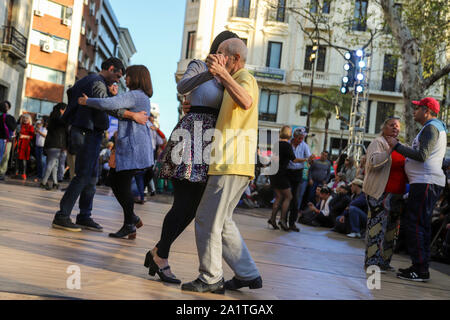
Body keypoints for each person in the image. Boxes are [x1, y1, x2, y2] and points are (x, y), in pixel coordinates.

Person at [144, 31, 240, 284]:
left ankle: (159, 252)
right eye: (222, 51)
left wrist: (225, 75)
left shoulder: (231, 76)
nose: (225, 56)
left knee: (194, 206)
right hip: (191, 136)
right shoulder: (199, 65)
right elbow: (182, 87)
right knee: (183, 202)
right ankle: (160, 255)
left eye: (229, 54)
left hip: (211, 141)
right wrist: (212, 71)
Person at [181, 38, 262, 294]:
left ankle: (210, 277)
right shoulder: (233, 81)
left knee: (206, 219)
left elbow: (246, 101)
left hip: (230, 161)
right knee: (223, 222)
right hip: (233, 163)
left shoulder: (244, 78)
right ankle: (247, 273)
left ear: (234, 59)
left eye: (220, 54)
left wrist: (223, 74)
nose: (215, 57)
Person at [51, 57, 148, 232]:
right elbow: (107, 105)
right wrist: (132, 115)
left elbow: (97, 100)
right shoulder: (97, 82)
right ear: (111, 68)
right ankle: (62, 216)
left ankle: (84, 216)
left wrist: (109, 96)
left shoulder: (91, 81)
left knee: (92, 177)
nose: (118, 80)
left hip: (90, 132)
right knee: (83, 175)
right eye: (118, 75)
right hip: (86, 132)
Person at [78, 65, 154, 239]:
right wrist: (114, 97)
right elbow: (117, 108)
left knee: (121, 183)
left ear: (135, 78)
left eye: (127, 76)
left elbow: (107, 104)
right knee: (117, 181)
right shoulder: (141, 96)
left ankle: (130, 223)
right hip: (134, 145)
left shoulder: (135, 95)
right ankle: (132, 219)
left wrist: (87, 101)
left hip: (133, 147)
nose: (124, 80)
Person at [386, 97, 447, 282]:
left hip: (425, 182)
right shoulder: (432, 127)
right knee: (420, 225)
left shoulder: (431, 127)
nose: (414, 111)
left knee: (416, 224)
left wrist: (397, 146)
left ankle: (420, 269)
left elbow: (422, 155)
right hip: (424, 182)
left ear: (426, 110)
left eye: (417, 108)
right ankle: (419, 266)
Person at [363, 117, 406, 272]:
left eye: (398, 126)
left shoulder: (401, 146)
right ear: (384, 128)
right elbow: (374, 162)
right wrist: (390, 150)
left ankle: (385, 261)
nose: (395, 128)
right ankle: (372, 261)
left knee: (391, 230)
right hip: (379, 192)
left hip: (397, 194)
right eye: (392, 125)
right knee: (376, 227)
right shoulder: (378, 143)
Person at [268, 125, 308, 231]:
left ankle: (272, 219)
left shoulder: (277, 144)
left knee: (279, 197)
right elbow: (294, 160)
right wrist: (306, 159)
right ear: (290, 134)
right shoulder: (287, 145)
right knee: (289, 197)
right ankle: (282, 220)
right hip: (281, 174)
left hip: (273, 172)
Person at [286, 127, 311, 232]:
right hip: (286, 172)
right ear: (294, 137)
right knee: (286, 197)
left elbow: (309, 159)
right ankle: (282, 220)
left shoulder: (304, 146)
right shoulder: (287, 144)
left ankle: (292, 223)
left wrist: (311, 160)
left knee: (295, 199)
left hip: (297, 173)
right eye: (299, 138)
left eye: (302, 138)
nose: (300, 140)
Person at [41, 103, 67, 190]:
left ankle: (55, 183)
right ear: (61, 110)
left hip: (50, 144)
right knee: (51, 164)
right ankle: (43, 182)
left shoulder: (52, 119)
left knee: (54, 165)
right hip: (56, 144)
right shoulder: (59, 120)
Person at [0, 101, 17, 176]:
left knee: (5, 157)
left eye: (6, 106)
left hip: (7, 140)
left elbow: (13, 128)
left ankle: (2, 172)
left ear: (9, 108)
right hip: (2, 139)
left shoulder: (10, 117)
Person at [16, 114, 34, 180]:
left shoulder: (31, 127)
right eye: (24, 118)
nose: (25, 119)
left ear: (29, 120)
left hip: (26, 144)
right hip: (19, 143)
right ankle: (16, 173)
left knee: (24, 159)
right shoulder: (19, 126)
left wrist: (24, 136)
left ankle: (24, 174)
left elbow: (32, 136)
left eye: (27, 118)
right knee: (17, 159)